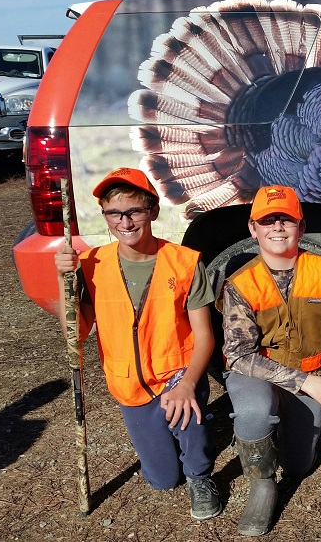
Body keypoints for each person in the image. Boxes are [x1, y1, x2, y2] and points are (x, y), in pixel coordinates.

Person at [54, 167, 221, 520]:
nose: (125, 221)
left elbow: (205, 335)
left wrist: (189, 384)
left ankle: (200, 474)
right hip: (128, 381)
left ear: (153, 211)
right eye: (114, 213)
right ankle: (169, 444)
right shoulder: (89, 264)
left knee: (189, 424)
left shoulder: (185, 262)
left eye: (134, 211)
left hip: (177, 373)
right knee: (161, 480)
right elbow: (77, 333)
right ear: (105, 216)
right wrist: (64, 282)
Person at [219, 184, 321, 536]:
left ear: (301, 228)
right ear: (252, 229)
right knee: (254, 410)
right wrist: (305, 382)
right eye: (267, 220)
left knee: (300, 465)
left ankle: (286, 432)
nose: (277, 228)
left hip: (310, 372)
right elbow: (239, 355)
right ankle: (263, 483)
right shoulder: (241, 283)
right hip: (259, 374)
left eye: (286, 220)